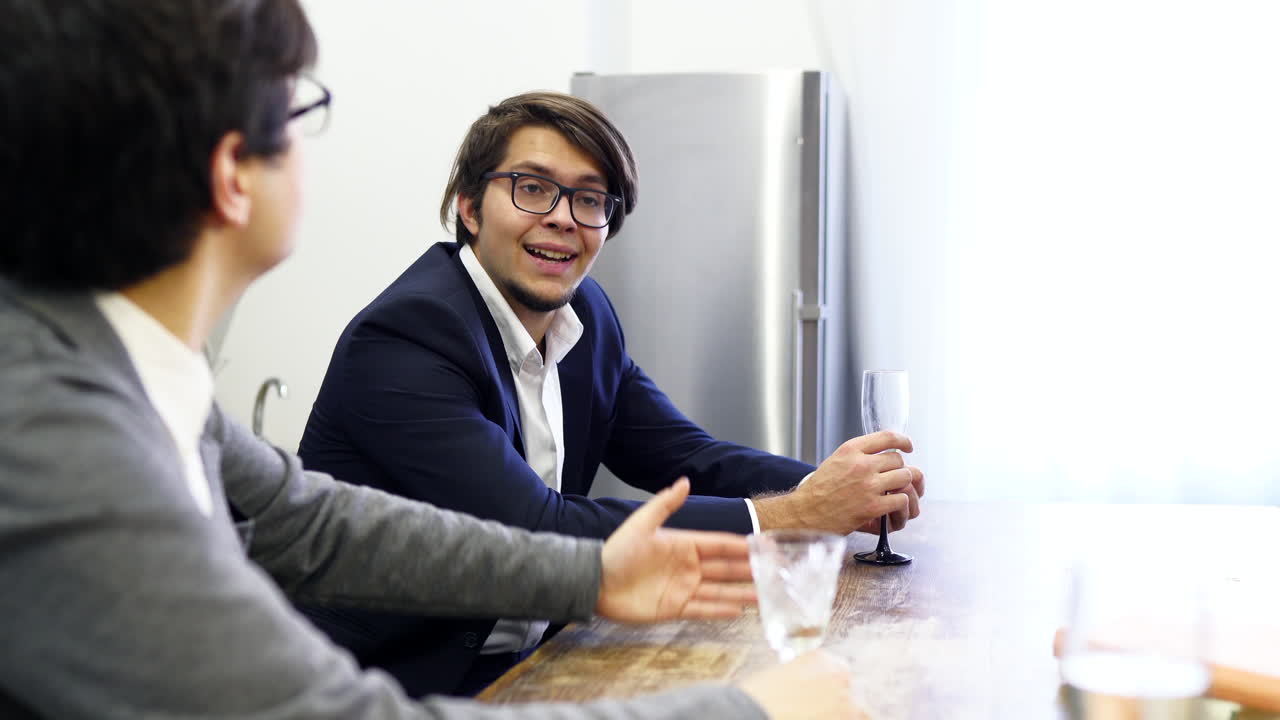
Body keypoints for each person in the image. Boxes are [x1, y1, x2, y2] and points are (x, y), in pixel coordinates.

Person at [0, 1, 867, 718]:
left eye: (590, 201)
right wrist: (748, 711)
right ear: (234, 173)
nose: (564, 219)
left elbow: (308, 518)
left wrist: (592, 572)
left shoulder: (127, 372)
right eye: (302, 113)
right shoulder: (60, 437)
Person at [297, 91, 926, 697]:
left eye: (590, 199)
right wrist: (796, 514)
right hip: (387, 685)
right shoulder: (407, 337)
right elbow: (535, 527)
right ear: (468, 206)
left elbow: (687, 459)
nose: (564, 217)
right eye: (532, 187)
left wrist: (840, 491)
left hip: (535, 662)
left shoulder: (585, 315)